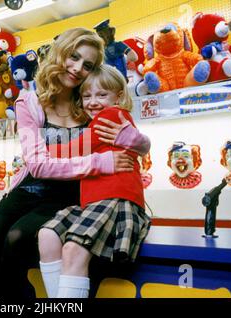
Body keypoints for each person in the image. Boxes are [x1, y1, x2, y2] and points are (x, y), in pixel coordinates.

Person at [0, 27, 150, 299]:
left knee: (18, 238)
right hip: (30, 188)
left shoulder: (92, 102)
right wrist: (101, 162)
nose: (78, 68)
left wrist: (136, 143)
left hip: (68, 193)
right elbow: (38, 166)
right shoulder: (29, 102)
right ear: (60, 54)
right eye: (74, 57)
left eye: (87, 65)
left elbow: (135, 140)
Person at [38, 64, 151, 298]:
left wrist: (39, 150)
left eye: (102, 94)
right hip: (96, 203)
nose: (92, 102)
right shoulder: (99, 121)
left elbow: (76, 148)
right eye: (87, 96)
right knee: (47, 235)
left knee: (72, 249)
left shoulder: (112, 116)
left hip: (116, 201)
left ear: (118, 96)